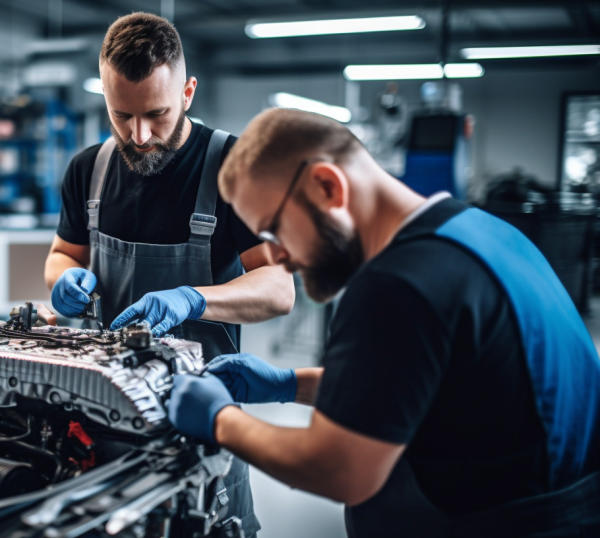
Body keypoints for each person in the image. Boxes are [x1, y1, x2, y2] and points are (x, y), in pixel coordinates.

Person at [166, 108, 600, 537]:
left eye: (274, 232)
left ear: (327, 186)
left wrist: (220, 418)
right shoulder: (481, 231)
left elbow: (340, 469)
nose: (277, 257)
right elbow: (425, 385)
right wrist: (286, 384)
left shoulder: (397, 284)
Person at [43, 13, 294, 536]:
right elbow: (61, 254)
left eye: (155, 114)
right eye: (121, 115)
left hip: (200, 414)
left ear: (188, 92)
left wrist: (193, 299)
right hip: (102, 410)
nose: (139, 135)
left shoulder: (233, 168)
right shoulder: (87, 170)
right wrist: (64, 279)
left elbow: (278, 289)